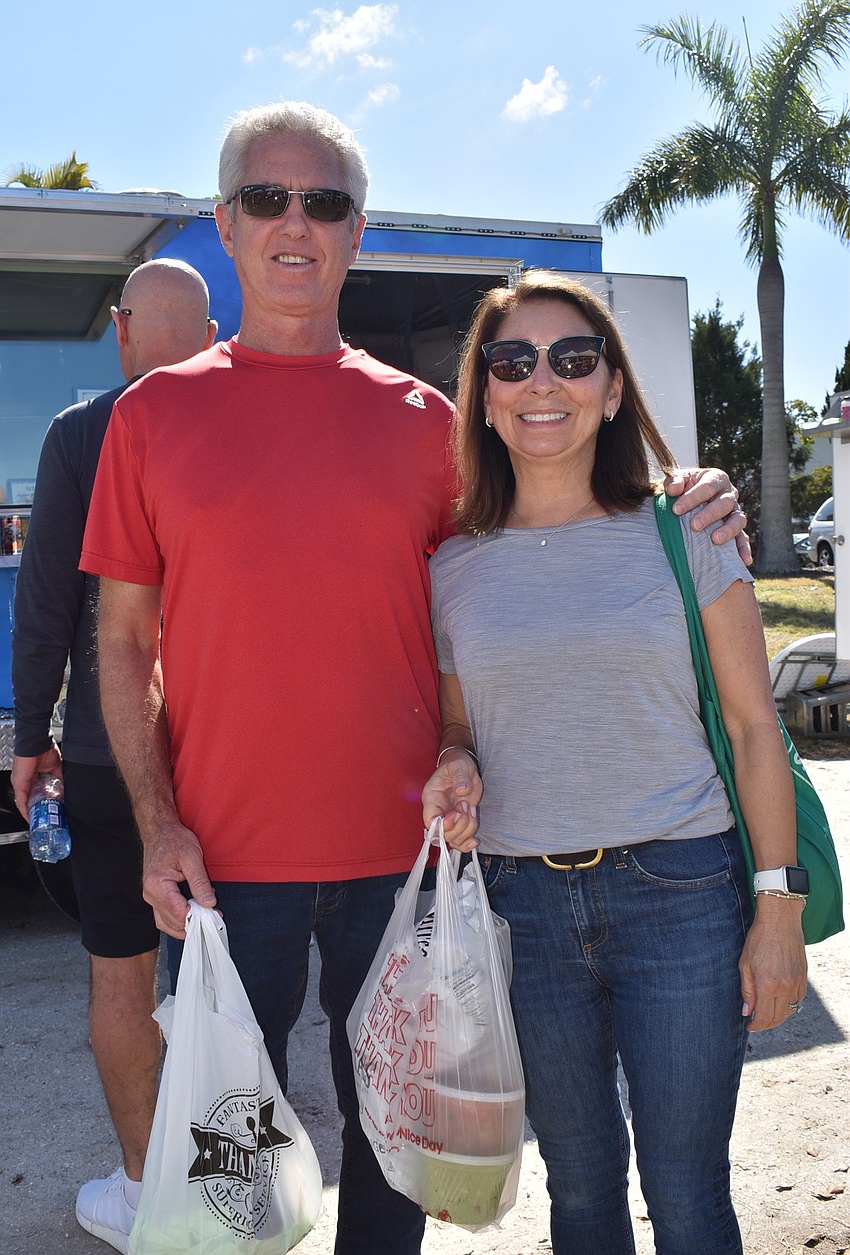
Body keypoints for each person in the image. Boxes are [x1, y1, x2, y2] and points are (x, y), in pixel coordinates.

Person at [80, 102, 745, 1255]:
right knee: (228, 1170)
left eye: (325, 202)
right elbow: (125, 643)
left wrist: (689, 491)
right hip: (220, 865)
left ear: (357, 229)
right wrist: (155, 824)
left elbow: (542, 533)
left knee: (398, 1156)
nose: (297, 223)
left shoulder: (429, 424)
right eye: (268, 199)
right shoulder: (150, 417)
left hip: (410, 863)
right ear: (225, 224)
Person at [422, 270, 807, 1255]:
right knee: (581, 1186)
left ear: (611, 387)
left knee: (687, 1192)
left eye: (573, 357)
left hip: (680, 894)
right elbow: (458, 725)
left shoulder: (689, 531)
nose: (542, 381)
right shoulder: (452, 568)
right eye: (513, 360)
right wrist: (455, 762)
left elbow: (752, 727)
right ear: (485, 395)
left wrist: (777, 912)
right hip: (522, 909)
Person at [11, 258, 216, 1251]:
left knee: (122, 973)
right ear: (211, 335)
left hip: (105, 751)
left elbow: (46, 601)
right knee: (235, 971)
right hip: (230, 750)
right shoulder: (241, 421)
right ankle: (233, 1185)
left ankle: (146, 1197)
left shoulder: (80, 434)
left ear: (123, 329)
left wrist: (29, 739)